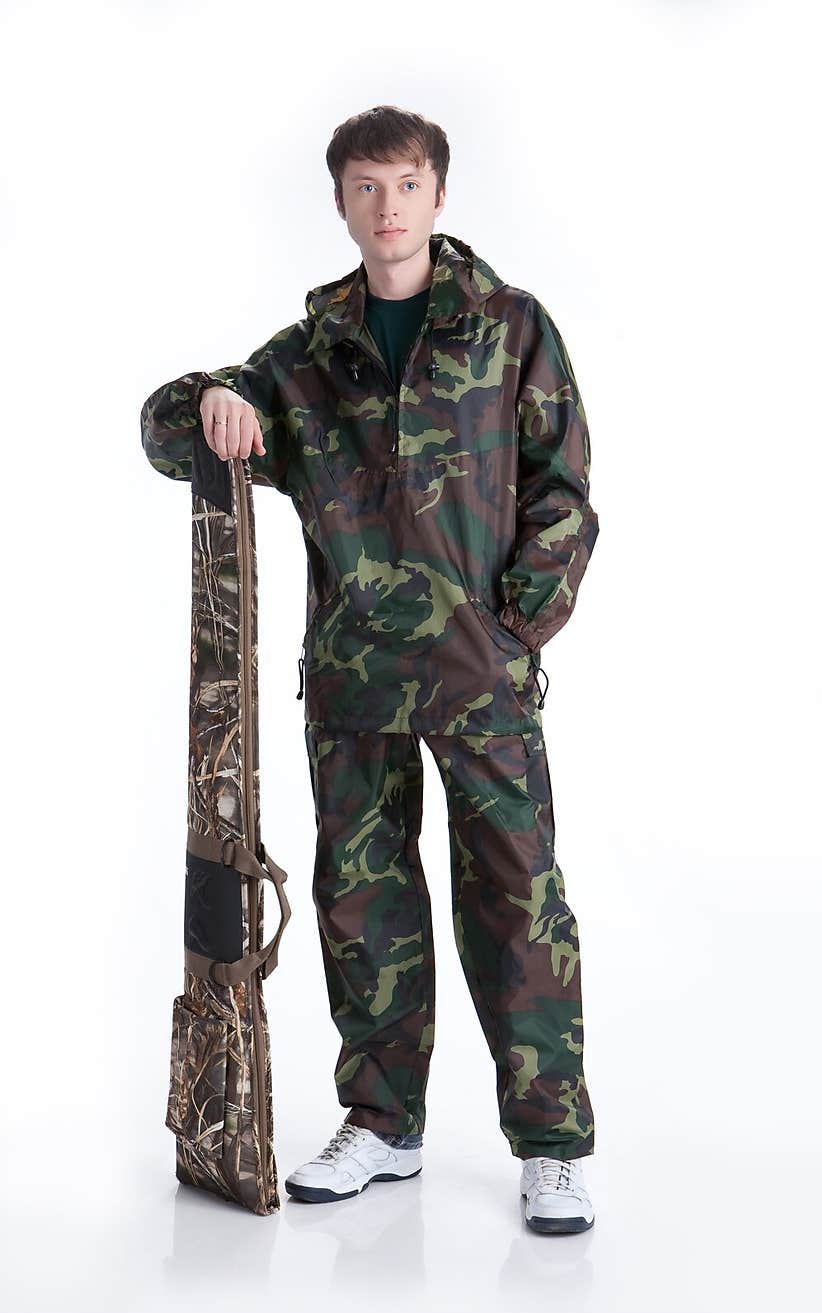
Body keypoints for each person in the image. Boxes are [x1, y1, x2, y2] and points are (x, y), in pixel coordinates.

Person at [141, 104, 599, 1236]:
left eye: (404, 184)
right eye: (364, 187)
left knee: (518, 903)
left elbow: (564, 495)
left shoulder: (509, 328)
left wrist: (509, 632)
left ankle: (551, 1144)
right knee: (362, 905)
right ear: (339, 202)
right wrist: (212, 392)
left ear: (439, 195)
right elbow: (167, 437)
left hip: (479, 678)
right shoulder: (308, 360)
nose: (385, 207)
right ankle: (383, 1123)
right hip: (354, 685)